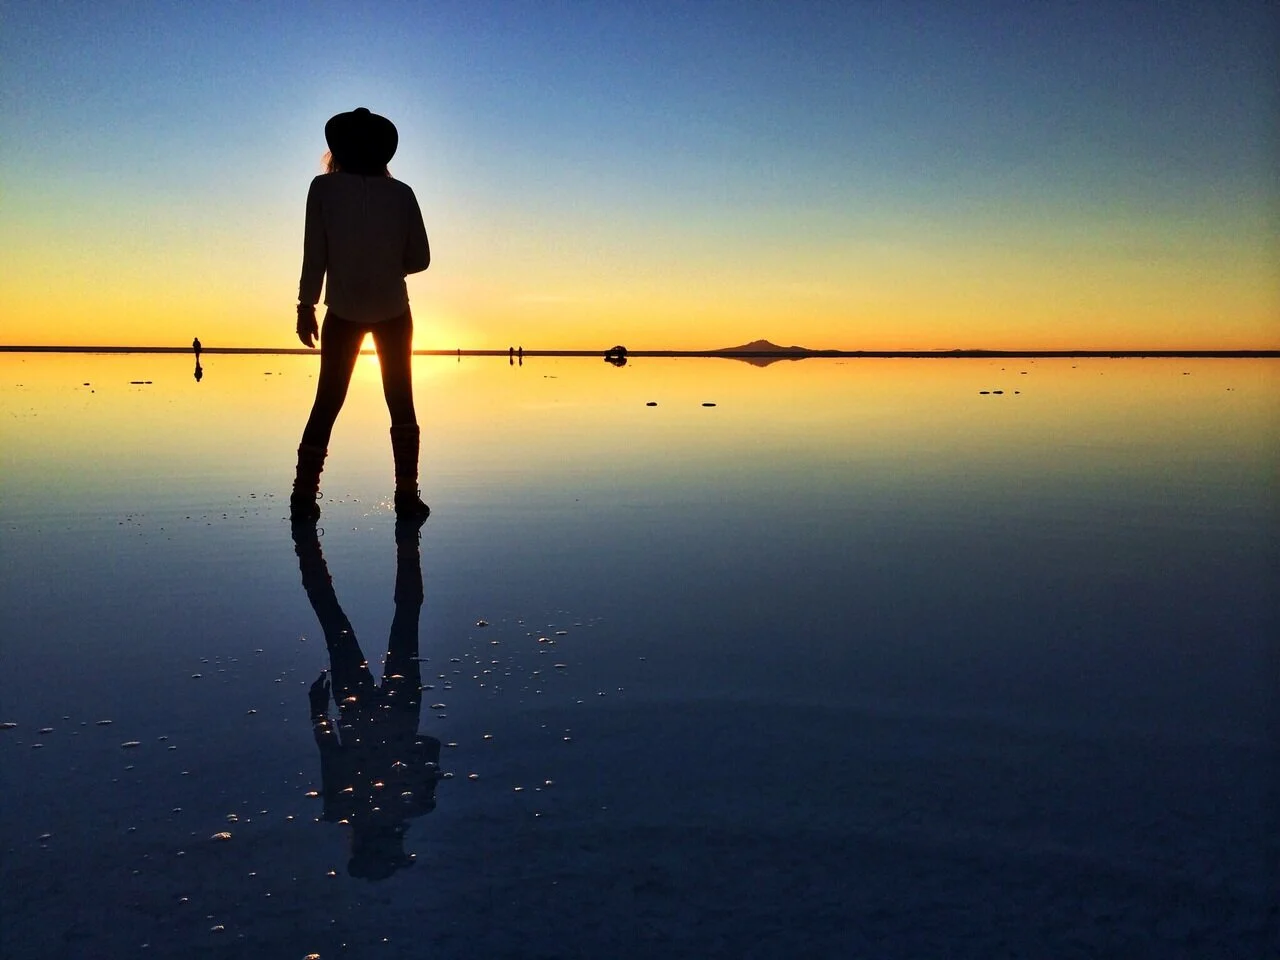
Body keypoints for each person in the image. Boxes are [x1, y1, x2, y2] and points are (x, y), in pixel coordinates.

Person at [291, 107, 432, 522]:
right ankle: (407, 495)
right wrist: (388, 265)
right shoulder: (402, 193)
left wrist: (305, 306)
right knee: (401, 401)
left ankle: (303, 495)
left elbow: (313, 255)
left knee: (327, 402)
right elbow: (421, 258)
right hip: (393, 310)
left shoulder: (322, 189)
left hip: (343, 311)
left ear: (339, 149)